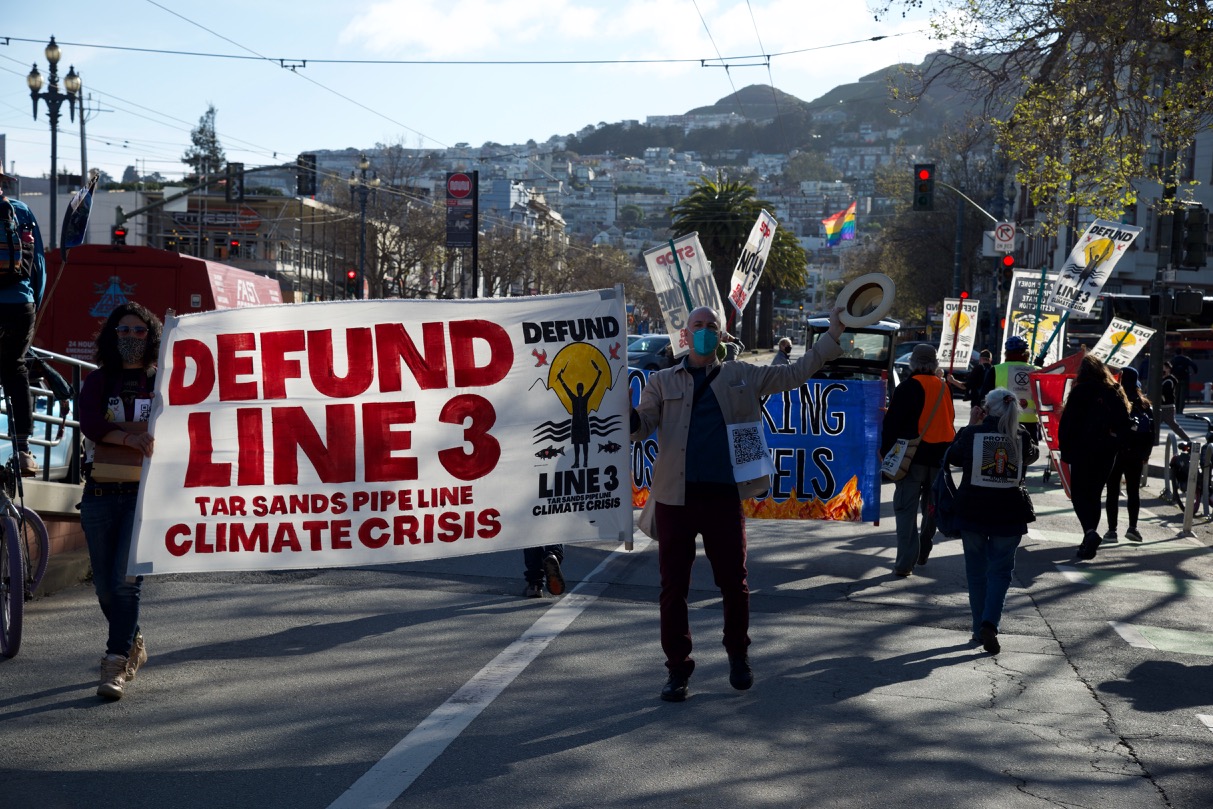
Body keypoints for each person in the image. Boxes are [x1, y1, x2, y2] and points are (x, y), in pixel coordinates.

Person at [630, 304, 844, 702]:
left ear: (722, 334)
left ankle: (738, 657)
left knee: (734, 584)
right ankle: (677, 670)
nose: (705, 332)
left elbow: (794, 374)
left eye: (712, 326)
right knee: (673, 588)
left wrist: (831, 335)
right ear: (686, 333)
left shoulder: (741, 375)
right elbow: (641, 426)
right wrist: (625, 419)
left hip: (723, 498)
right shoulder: (661, 381)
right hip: (674, 499)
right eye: (698, 326)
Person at [79, 302, 161, 700]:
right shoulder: (98, 381)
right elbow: (91, 423)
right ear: (112, 336)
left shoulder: (161, 381)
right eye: (124, 331)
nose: (131, 338)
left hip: (142, 498)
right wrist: (130, 437)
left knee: (125, 586)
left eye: (140, 332)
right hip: (98, 493)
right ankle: (132, 639)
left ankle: (114, 664)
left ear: (152, 337)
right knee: (105, 590)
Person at [943, 387, 1038, 654]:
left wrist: (970, 425)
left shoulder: (973, 434)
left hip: (973, 511)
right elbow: (1032, 455)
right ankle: (990, 624)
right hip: (1009, 513)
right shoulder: (1020, 437)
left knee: (976, 571)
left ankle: (978, 628)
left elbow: (952, 456)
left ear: (986, 409)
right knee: (1000, 572)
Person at [881, 344, 956, 575]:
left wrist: (885, 454)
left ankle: (905, 563)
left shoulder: (907, 387)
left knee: (906, 510)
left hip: (910, 459)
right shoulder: (944, 388)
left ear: (913, 363)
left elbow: (891, 424)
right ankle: (924, 547)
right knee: (931, 508)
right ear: (935, 364)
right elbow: (950, 421)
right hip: (939, 460)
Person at [1058, 354, 1131, 561]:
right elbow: (1124, 422)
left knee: (1079, 494)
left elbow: (1067, 423)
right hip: (1107, 451)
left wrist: (1066, 449)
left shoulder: (1080, 391)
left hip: (1082, 449)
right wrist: (1118, 444)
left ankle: (1089, 533)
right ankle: (1088, 537)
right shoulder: (1115, 391)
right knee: (1095, 494)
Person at [0, 178, 48, 476]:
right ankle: (22, 451)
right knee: (15, 368)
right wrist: (33, 304)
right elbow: (38, 266)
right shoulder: (20, 211)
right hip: (19, 304)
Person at [1105, 367, 1153, 543]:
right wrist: (1145, 454)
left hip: (1115, 453)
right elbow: (1151, 432)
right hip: (1136, 454)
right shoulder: (1144, 404)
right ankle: (1133, 528)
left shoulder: (1113, 400)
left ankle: (1112, 531)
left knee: (1112, 492)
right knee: (1133, 492)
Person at [981, 336, 1041, 443]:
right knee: (1028, 456)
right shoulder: (1037, 371)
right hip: (1030, 424)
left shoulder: (996, 370)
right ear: (1027, 353)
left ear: (1006, 353)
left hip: (1002, 422)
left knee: (1002, 455)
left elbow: (983, 398)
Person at [1159, 361, 1190, 442]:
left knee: (1175, 427)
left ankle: (1189, 441)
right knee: (1152, 426)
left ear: (1168, 369)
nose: (1162, 370)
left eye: (1164, 368)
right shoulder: (1164, 379)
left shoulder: (1169, 380)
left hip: (1167, 408)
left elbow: (1165, 391)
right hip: (1162, 407)